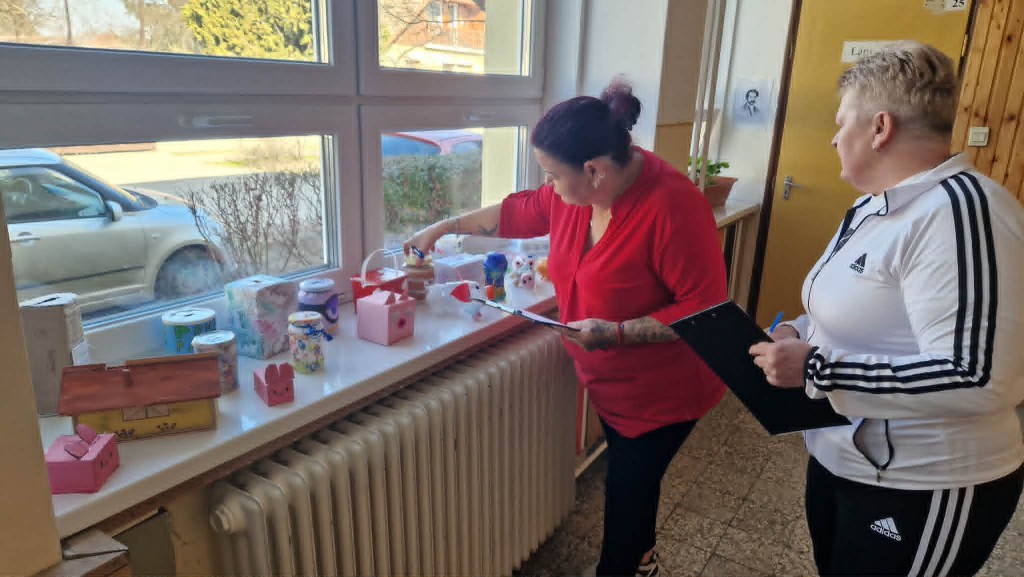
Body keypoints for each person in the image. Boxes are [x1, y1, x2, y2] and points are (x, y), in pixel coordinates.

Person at [405, 81, 728, 576]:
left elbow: (704, 310)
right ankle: (644, 561)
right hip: (611, 384)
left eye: (554, 176)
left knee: (625, 495)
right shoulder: (574, 196)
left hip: (665, 394)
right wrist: (443, 228)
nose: (549, 186)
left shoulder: (674, 207)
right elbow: (516, 211)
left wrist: (614, 334)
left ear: (594, 170)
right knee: (634, 488)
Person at [749, 41, 1024, 576]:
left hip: (925, 483)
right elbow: (851, 310)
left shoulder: (960, 214)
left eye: (841, 123)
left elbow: (976, 376)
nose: (834, 138)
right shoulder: (874, 206)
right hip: (846, 459)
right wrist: (798, 333)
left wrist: (816, 368)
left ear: (879, 127)